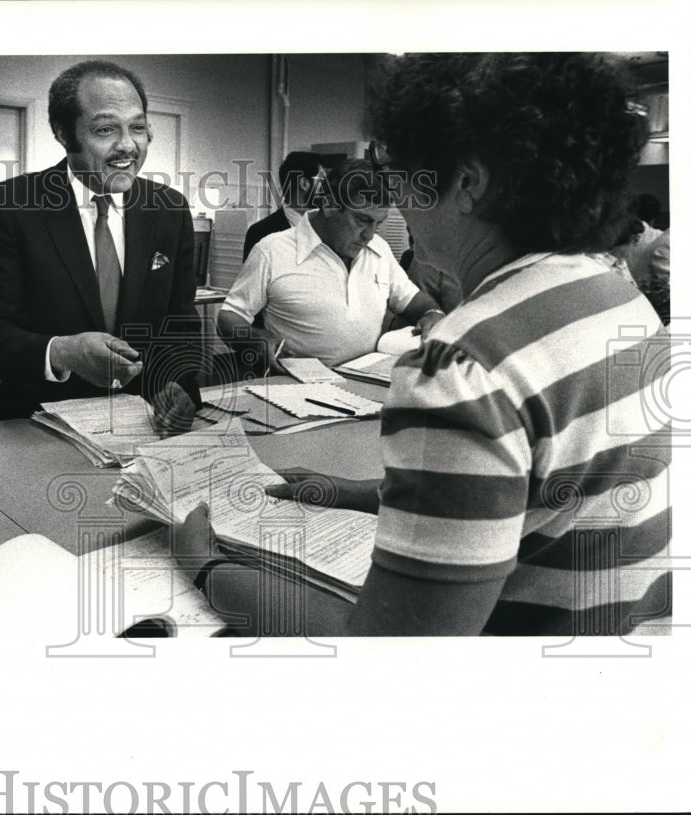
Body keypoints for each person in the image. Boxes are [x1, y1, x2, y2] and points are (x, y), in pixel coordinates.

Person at [177, 52, 671, 637]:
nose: (395, 212)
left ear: (465, 182)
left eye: (404, 172)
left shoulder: (461, 366)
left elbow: (391, 653)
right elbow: (525, 492)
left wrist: (205, 565)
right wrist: (361, 492)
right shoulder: (619, 300)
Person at [0, 60, 201, 427]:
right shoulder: (13, 205)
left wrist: (177, 383)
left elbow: (182, 322)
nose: (128, 146)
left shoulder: (169, 208)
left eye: (138, 128)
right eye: (106, 129)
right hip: (42, 428)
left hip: (144, 425)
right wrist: (64, 351)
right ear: (63, 132)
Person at [217, 158, 445, 368]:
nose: (369, 235)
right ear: (328, 205)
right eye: (362, 220)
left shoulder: (379, 250)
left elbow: (413, 301)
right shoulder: (272, 251)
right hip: (297, 388)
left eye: (378, 223)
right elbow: (229, 318)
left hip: (364, 383)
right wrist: (256, 338)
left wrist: (433, 313)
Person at [242, 151, 324, 262]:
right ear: (304, 184)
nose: (326, 188)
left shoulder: (327, 229)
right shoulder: (260, 233)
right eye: (322, 181)